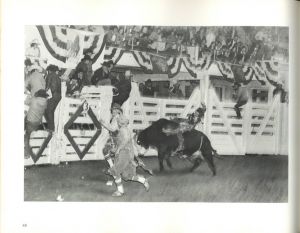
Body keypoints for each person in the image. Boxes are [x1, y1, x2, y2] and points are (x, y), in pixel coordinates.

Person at [99, 104, 150, 197]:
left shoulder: (123, 130)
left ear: (120, 122)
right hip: (126, 153)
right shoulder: (123, 128)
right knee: (127, 176)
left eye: (118, 121)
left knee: (115, 171)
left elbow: (125, 140)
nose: (117, 121)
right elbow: (123, 140)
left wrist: (118, 149)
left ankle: (120, 190)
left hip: (124, 154)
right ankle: (143, 180)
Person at [24, 64, 48, 159]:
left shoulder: (30, 76)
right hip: (38, 120)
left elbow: (24, 86)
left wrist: (28, 93)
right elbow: (44, 86)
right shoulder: (45, 102)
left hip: (30, 119)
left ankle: (26, 154)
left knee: (27, 136)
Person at [44, 65, 62, 131]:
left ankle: (51, 128)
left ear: (49, 70)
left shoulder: (50, 75)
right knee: (51, 111)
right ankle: (51, 127)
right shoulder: (58, 77)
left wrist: (45, 93)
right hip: (58, 96)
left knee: (48, 111)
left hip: (53, 96)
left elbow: (49, 87)